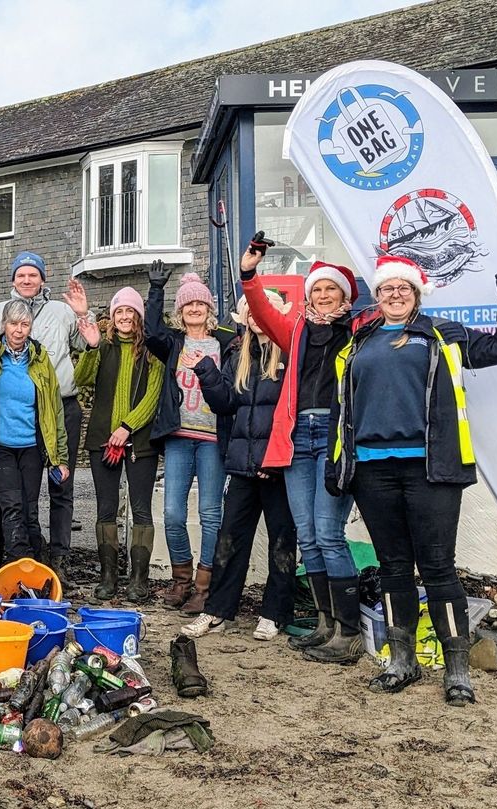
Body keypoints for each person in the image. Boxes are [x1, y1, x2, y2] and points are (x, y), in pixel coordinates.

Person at [328, 255, 497, 705]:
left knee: (438, 568)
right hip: (372, 471)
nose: (395, 295)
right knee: (393, 568)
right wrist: (338, 466)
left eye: (404, 289)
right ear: (377, 296)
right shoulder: (358, 342)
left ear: (417, 294)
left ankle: (457, 672)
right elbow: (344, 409)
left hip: (431, 469)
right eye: (387, 289)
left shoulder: (441, 335)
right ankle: (402, 660)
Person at [240, 235, 364, 663]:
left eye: (331, 289)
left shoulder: (358, 332)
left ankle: (348, 632)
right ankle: (326, 624)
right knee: (308, 536)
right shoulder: (296, 331)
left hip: (332, 436)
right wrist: (250, 274)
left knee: (329, 533)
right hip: (297, 440)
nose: (324, 295)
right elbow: (262, 311)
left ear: (345, 296)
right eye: (317, 290)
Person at [178, 293, 298, 641]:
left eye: (263, 311)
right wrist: (206, 371)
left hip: (276, 467)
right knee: (229, 540)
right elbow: (226, 405)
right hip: (242, 467)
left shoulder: (288, 352)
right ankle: (217, 610)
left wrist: (272, 461)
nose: (257, 318)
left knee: (282, 541)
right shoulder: (238, 354)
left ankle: (274, 614)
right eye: (251, 313)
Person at [0, 252, 94, 583]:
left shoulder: (61, 311)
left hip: (61, 406)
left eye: (34, 274)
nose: (27, 280)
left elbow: (84, 344)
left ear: (43, 279)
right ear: (13, 280)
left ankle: (59, 555)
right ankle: (28, 553)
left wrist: (82, 314)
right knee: (20, 495)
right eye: (21, 275)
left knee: (61, 485)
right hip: (18, 412)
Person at [145, 263, 237, 613]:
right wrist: (156, 291)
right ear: (181, 312)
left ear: (210, 310)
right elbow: (152, 330)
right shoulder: (173, 344)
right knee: (172, 513)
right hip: (179, 437)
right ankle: (181, 578)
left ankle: (204, 584)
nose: (195, 309)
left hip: (213, 439)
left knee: (211, 513)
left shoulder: (225, 344)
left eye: (200, 304)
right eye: (188, 305)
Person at [75, 287, 164, 601]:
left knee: (141, 510)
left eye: (130, 311)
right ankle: (108, 576)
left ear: (139, 315)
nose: (125, 317)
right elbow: (82, 379)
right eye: (119, 312)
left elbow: (153, 396)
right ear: (112, 317)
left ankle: (139, 579)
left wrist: (127, 427)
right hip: (102, 439)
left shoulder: (152, 350)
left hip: (139, 441)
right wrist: (90, 347)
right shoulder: (104, 346)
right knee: (106, 509)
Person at [0, 299, 69, 564]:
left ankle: (38, 568)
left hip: (31, 447)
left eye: (25, 324)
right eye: (13, 324)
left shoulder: (39, 358)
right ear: (4, 325)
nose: (18, 330)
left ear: (31, 327)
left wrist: (61, 457)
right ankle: (18, 569)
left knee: (30, 511)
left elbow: (54, 408)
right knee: (12, 509)